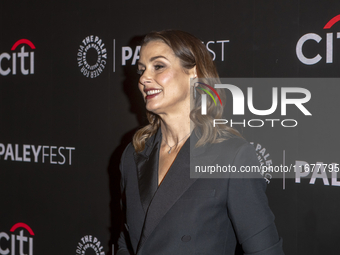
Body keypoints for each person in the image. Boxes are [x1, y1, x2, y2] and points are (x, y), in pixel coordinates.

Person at [117, 30, 284, 255]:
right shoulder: (133, 154)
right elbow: (126, 242)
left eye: (158, 66)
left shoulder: (232, 155)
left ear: (193, 74)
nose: (144, 78)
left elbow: (265, 250)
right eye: (141, 69)